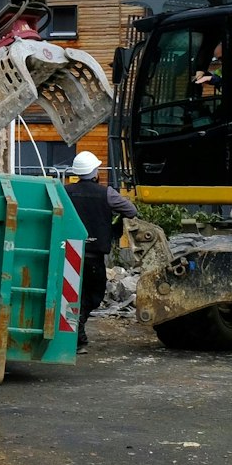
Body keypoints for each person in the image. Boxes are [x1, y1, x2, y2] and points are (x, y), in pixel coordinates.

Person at [63, 150, 139, 351]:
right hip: (94, 255)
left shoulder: (65, 192)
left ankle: (75, 334)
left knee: (70, 294)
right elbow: (131, 211)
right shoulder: (106, 193)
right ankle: (78, 331)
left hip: (68, 253)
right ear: (95, 172)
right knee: (94, 295)